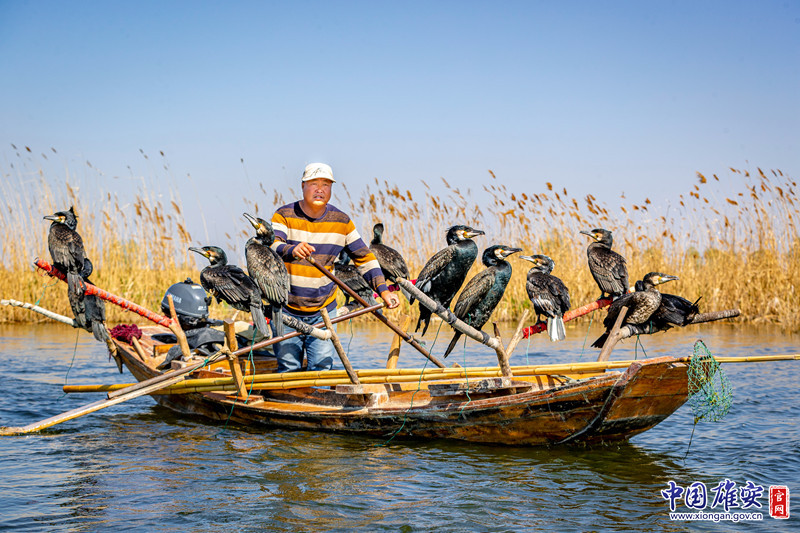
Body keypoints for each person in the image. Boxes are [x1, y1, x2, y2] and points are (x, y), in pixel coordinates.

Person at [270, 162, 399, 372]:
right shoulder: (284, 215)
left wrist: (383, 291)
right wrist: (291, 249)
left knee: (322, 370)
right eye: (313, 183)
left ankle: (319, 403)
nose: (320, 189)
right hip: (285, 310)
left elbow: (365, 258)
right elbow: (273, 245)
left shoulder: (342, 221)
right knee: (288, 369)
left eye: (326, 184)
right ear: (303, 186)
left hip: (324, 311)